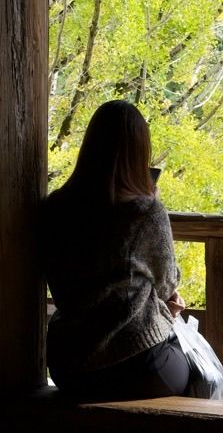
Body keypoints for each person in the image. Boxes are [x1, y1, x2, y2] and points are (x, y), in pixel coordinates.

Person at [36, 100, 195, 401]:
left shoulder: (55, 208)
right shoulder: (144, 212)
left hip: (69, 365)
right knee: (194, 369)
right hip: (134, 364)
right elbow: (166, 284)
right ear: (139, 152)